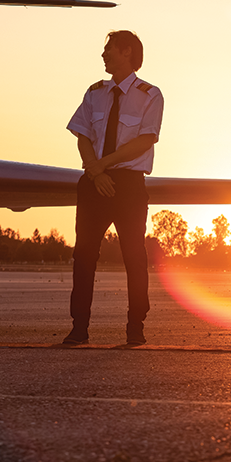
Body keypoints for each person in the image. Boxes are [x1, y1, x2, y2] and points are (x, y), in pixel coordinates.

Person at [64, 31, 164, 346]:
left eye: (108, 49)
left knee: (134, 256)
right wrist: (95, 172)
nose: (104, 55)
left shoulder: (150, 94)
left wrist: (101, 165)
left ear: (127, 51)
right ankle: (79, 328)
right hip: (94, 183)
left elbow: (145, 140)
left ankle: (136, 327)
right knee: (83, 256)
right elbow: (82, 135)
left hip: (128, 184)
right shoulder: (95, 93)